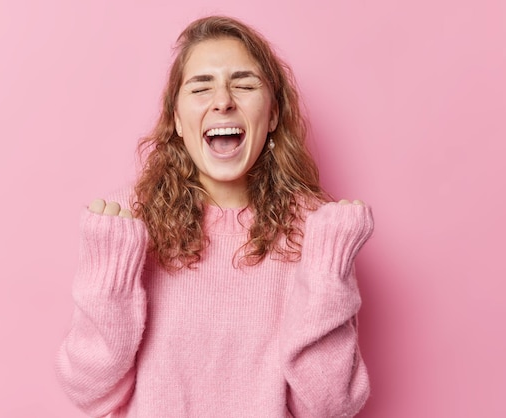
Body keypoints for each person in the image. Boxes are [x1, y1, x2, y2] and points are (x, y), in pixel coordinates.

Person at [56, 15, 374, 418]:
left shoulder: (318, 232)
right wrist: (110, 278)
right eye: (201, 86)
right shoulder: (126, 222)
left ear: (273, 115)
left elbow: (330, 406)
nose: (223, 100)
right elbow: (92, 393)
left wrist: (327, 275)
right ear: (176, 118)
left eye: (244, 84)